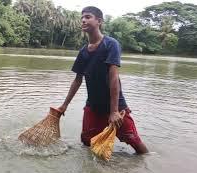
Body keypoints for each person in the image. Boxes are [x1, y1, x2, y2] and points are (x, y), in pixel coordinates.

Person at [57, 6, 148, 154]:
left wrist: (114, 111)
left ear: (99, 21)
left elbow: (113, 77)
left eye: (87, 17)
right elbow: (77, 80)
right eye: (82, 18)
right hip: (93, 106)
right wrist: (64, 105)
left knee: (135, 142)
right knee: (87, 143)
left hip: (116, 106)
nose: (83, 20)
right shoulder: (83, 52)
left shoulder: (111, 44)